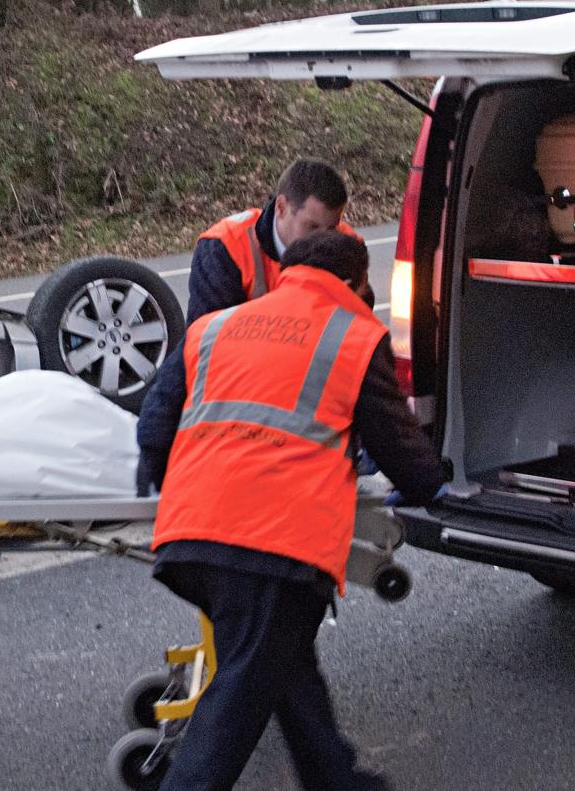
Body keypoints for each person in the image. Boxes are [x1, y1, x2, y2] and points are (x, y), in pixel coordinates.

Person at [136, 230, 445, 791]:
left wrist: (177, 490)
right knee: (233, 709)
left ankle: (337, 778)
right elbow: (409, 463)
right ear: (355, 283)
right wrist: (435, 482)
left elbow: (155, 421)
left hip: (189, 533)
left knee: (281, 666)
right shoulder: (352, 336)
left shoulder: (216, 326)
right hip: (271, 546)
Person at [188, 158, 359, 324]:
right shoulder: (224, 248)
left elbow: (360, 330)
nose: (322, 240)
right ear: (281, 207)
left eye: (331, 229)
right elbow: (203, 339)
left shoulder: (345, 245)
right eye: (311, 227)